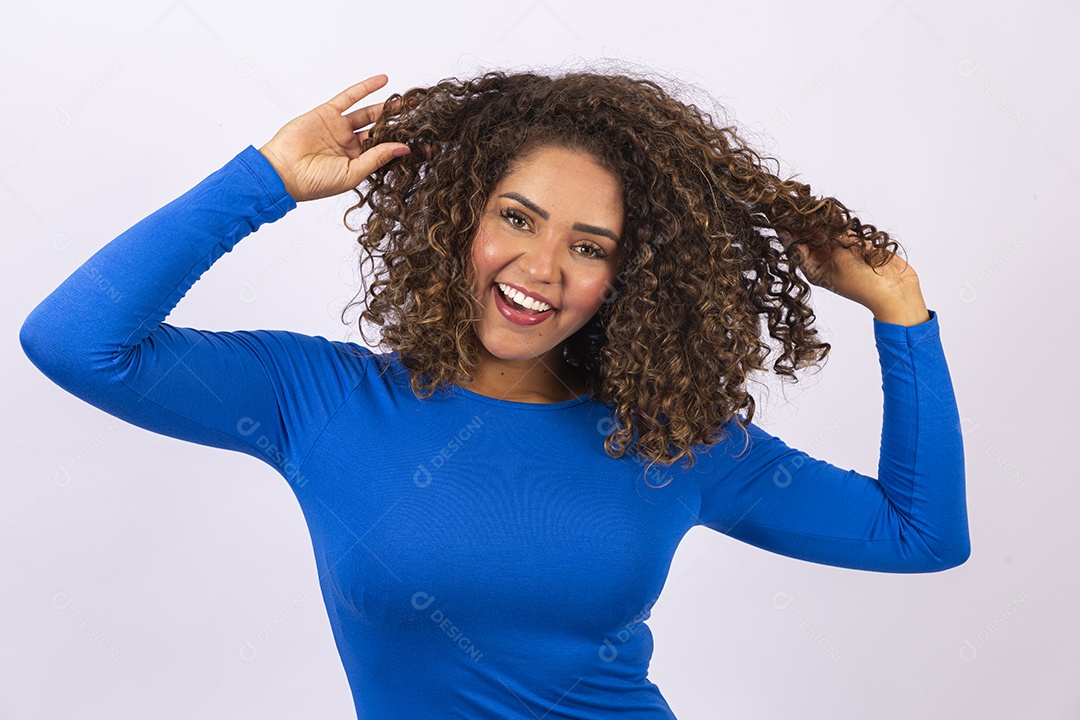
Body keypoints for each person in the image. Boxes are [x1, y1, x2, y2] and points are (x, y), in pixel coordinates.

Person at [19, 71, 970, 719]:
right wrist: (261, 181)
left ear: (627, 275)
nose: (542, 269)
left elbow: (918, 536)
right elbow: (75, 342)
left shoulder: (668, 440)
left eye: (588, 246)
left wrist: (900, 307)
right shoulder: (314, 397)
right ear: (458, 220)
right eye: (517, 218)